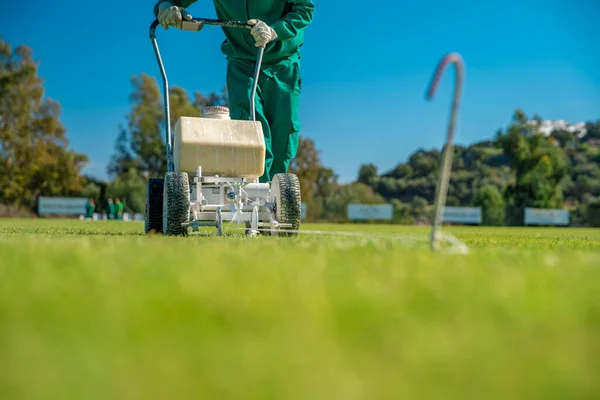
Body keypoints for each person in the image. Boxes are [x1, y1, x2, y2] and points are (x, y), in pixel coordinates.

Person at [153, 0, 314, 183]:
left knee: (283, 133)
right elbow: (169, 2)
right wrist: (165, 8)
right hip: (242, 64)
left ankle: (274, 194)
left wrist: (275, 30)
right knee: (251, 130)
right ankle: (256, 194)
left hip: (283, 62)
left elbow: (304, 9)